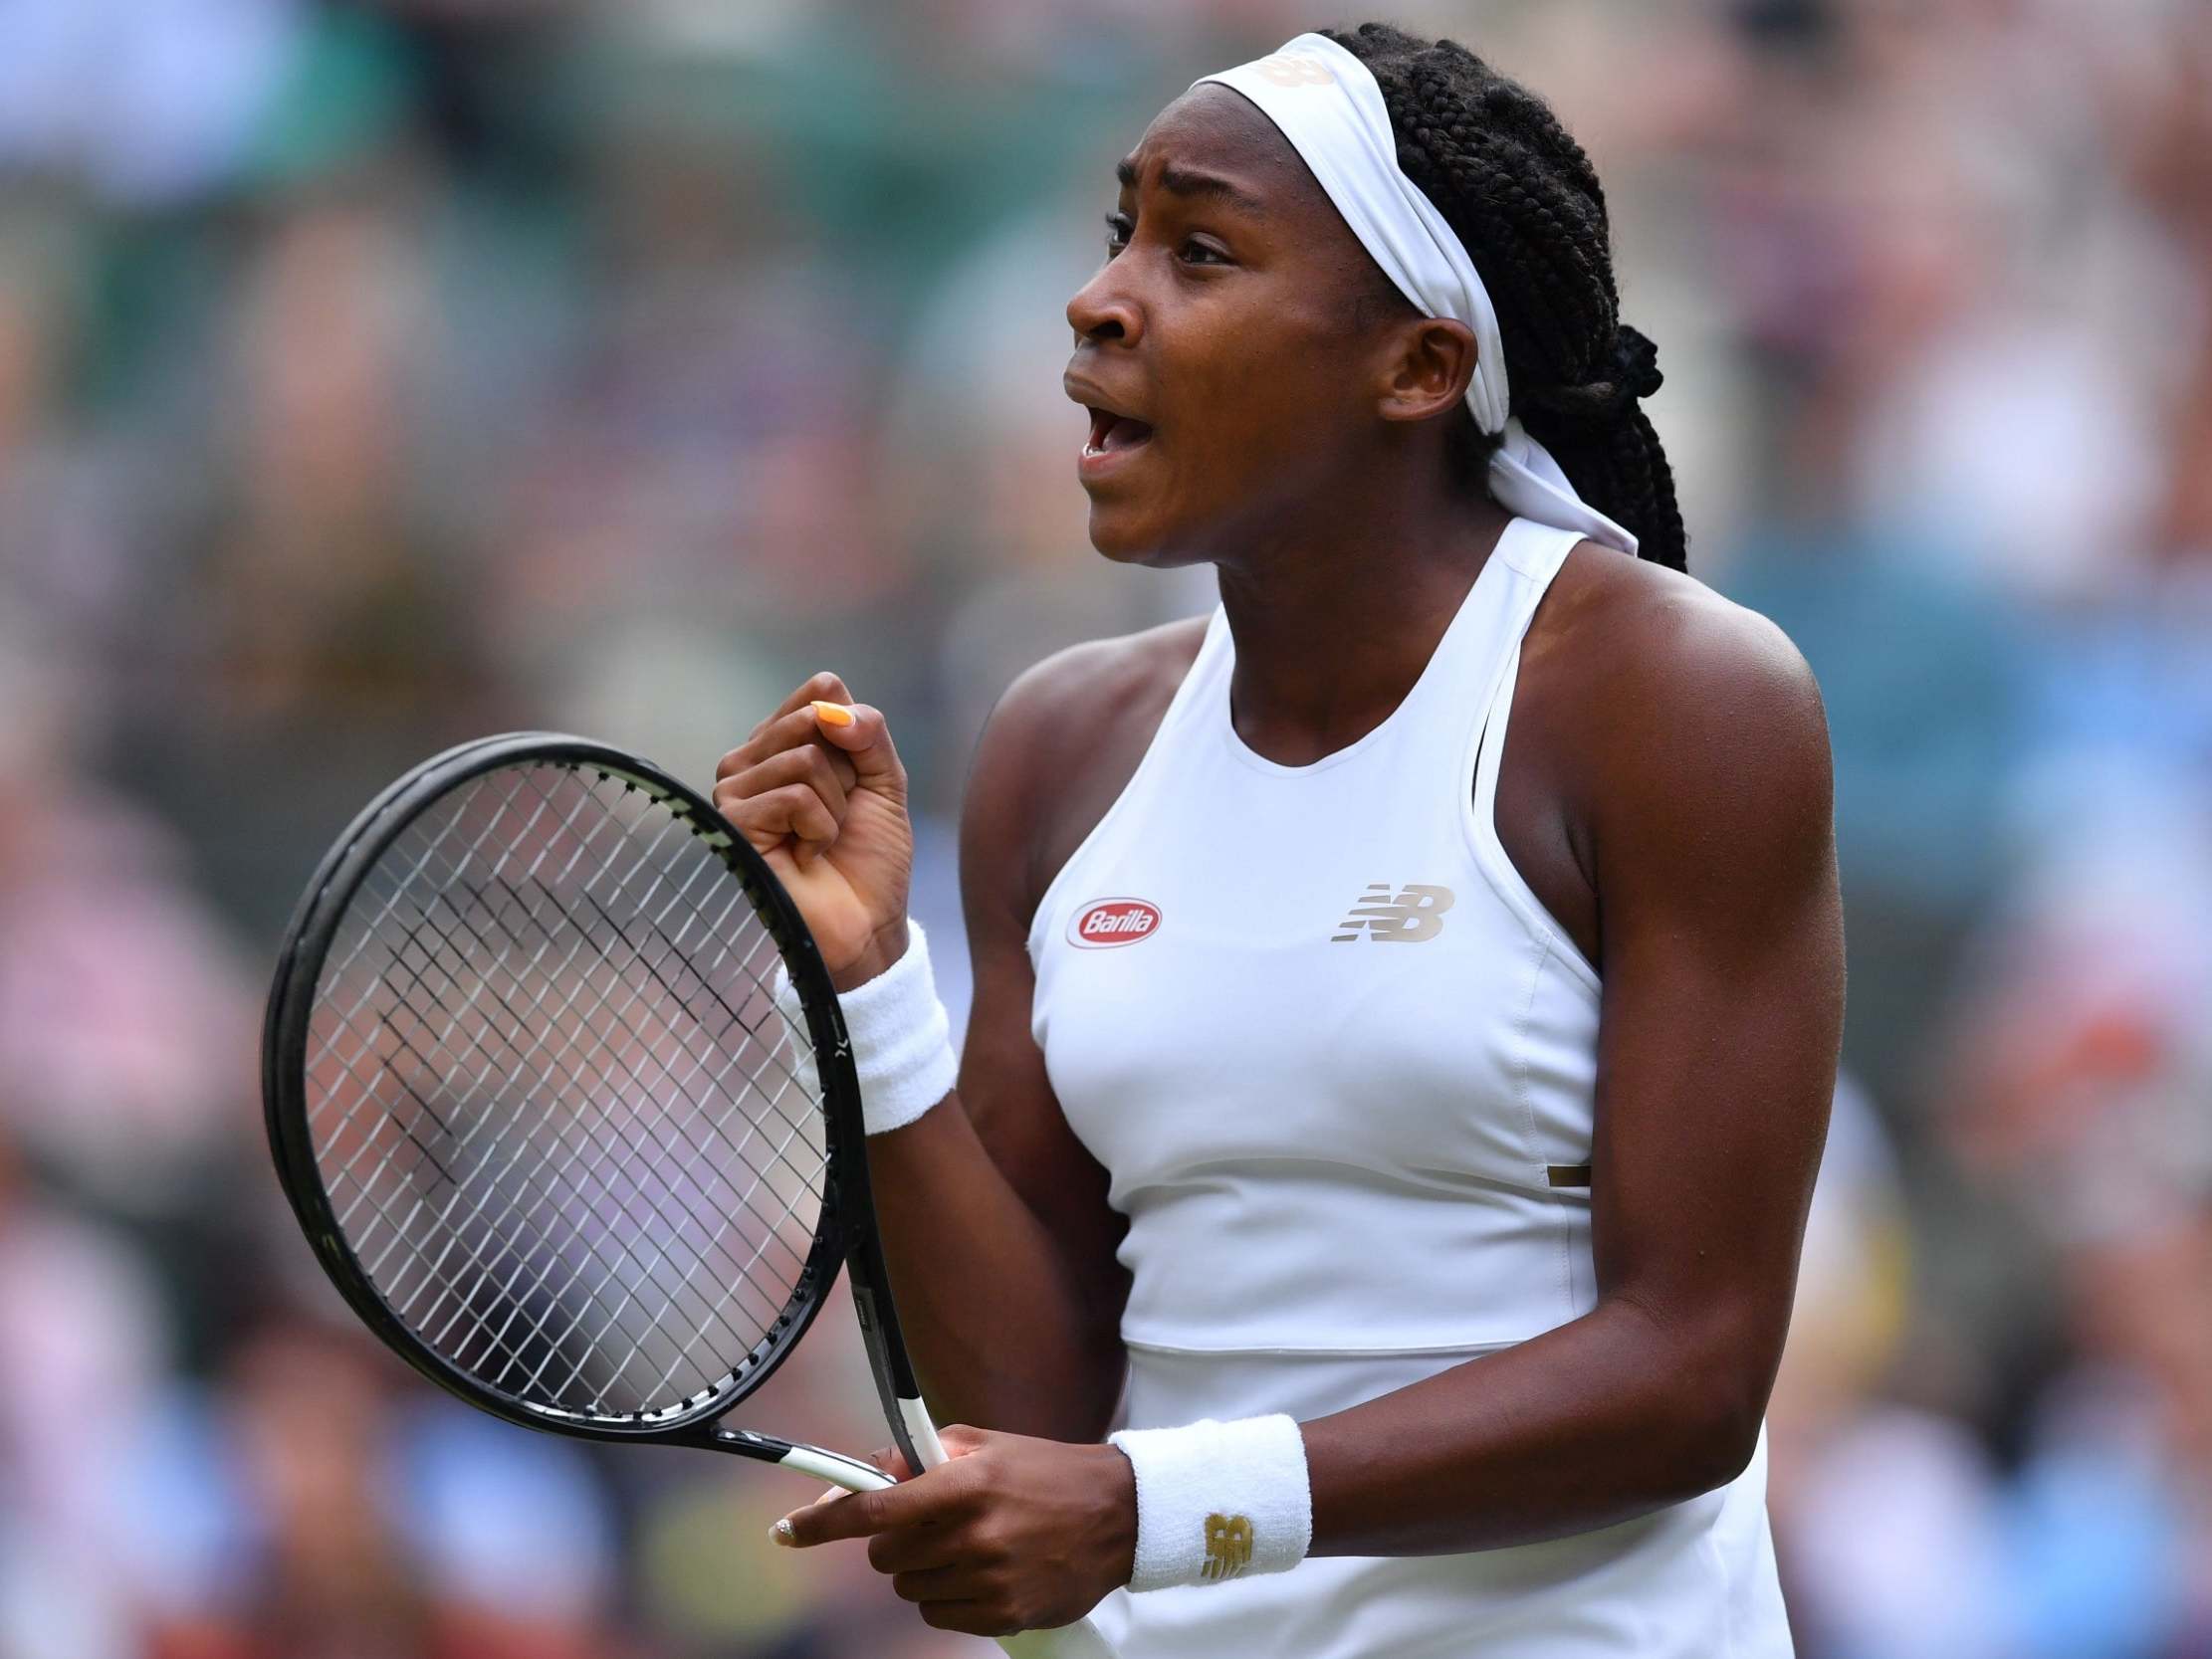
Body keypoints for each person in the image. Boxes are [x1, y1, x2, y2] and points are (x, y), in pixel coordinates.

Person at [713, 22, 1844, 1658]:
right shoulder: (1061, 743)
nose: (1101, 300)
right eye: (1121, 238)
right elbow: (1031, 1401)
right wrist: (871, 992)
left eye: (1201, 250)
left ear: (1416, 366)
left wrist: (1148, 1510)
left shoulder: (1675, 700)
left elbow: (1693, 1373)